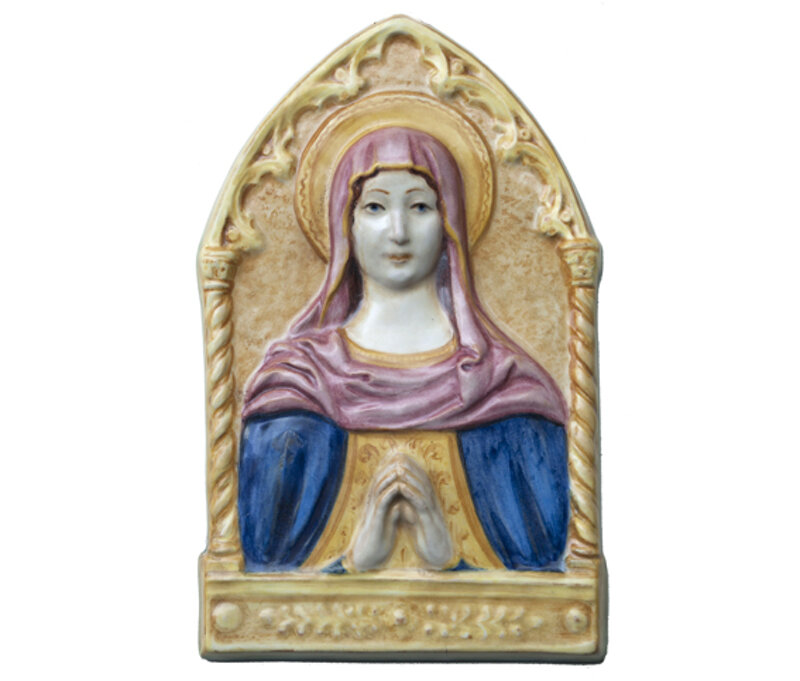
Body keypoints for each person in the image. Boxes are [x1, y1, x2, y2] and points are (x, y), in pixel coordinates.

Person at [239, 127, 569, 573]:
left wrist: (449, 558)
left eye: (419, 207)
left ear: (449, 221)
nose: (398, 232)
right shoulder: (295, 386)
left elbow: (550, 584)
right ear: (345, 224)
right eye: (375, 207)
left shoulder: (510, 392)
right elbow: (258, 579)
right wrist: (354, 562)